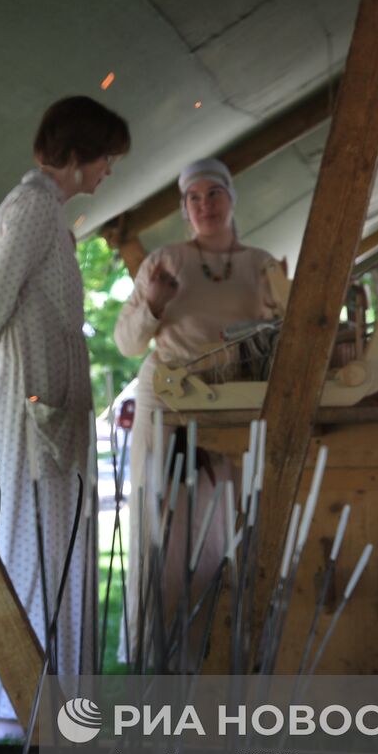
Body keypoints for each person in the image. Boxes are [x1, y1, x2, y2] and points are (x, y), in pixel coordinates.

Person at [0, 96, 129, 740]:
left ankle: (43, 714)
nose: (109, 171)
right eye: (107, 157)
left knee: (51, 557)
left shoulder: (44, 212)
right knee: (32, 559)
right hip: (28, 427)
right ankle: (18, 714)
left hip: (44, 424)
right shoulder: (29, 209)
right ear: (81, 155)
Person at [112, 158, 290, 665]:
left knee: (233, 519)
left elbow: (286, 338)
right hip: (167, 401)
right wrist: (152, 302)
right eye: (194, 198)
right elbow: (127, 342)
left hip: (236, 403)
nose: (205, 205)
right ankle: (159, 650)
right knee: (164, 522)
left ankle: (226, 646)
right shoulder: (165, 260)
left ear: (232, 199)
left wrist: (282, 309)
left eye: (213, 194)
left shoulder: (263, 265)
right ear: (185, 209)